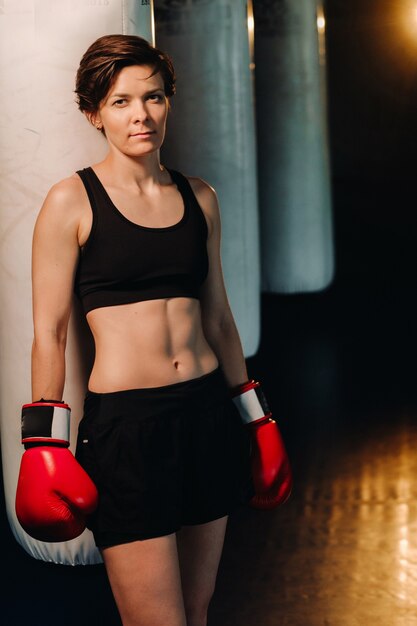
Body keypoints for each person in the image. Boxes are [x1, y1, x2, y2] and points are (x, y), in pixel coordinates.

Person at [15, 34, 292, 626]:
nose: (141, 114)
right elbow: (51, 332)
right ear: (93, 112)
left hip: (207, 416)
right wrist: (43, 445)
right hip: (127, 430)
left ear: (169, 103)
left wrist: (258, 419)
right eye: (120, 101)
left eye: (154, 97)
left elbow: (217, 315)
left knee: (196, 612)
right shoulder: (71, 201)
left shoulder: (200, 198)